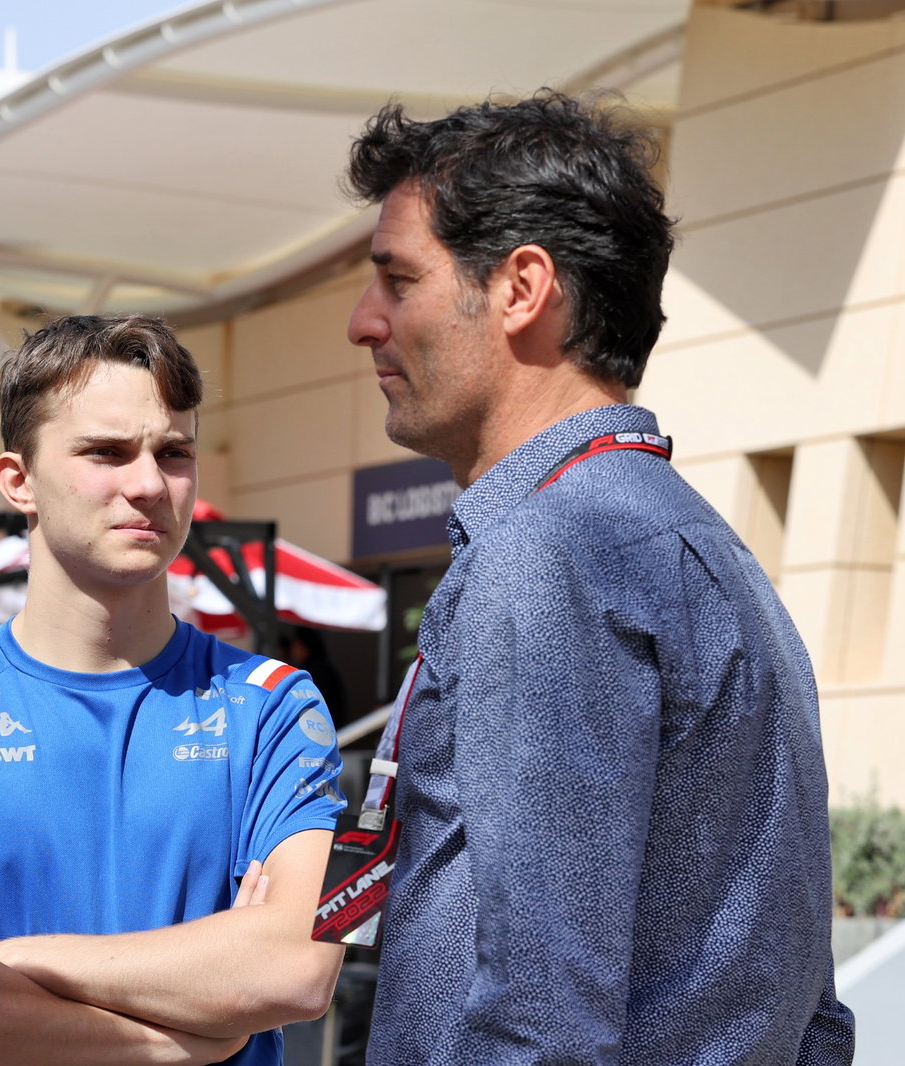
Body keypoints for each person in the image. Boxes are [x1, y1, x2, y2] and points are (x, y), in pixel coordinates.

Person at [344, 92, 855, 1064]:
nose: (364, 324)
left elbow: (541, 1023)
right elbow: (810, 1007)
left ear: (521, 288)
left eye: (396, 279)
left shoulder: (549, 558)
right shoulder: (709, 553)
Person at [0, 314, 347, 1066]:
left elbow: (295, 969)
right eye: (106, 453)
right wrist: (190, 1030)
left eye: (173, 453)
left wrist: (11, 965)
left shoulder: (273, 703)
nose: (148, 484)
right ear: (19, 482)